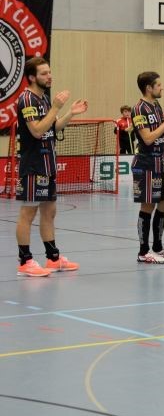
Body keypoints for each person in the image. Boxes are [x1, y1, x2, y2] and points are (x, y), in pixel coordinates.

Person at [15, 57, 88, 277]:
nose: (49, 76)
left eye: (50, 72)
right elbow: (37, 131)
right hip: (33, 165)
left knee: (49, 212)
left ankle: (53, 258)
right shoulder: (27, 99)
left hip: (48, 164)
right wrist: (56, 106)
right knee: (28, 213)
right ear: (32, 77)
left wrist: (69, 113)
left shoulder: (44, 99)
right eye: (44, 73)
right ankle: (25, 261)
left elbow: (52, 128)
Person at [131, 71, 164, 264]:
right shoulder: (139, 109)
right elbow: (147, 138)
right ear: (149, 88)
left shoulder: (156, 106)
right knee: (148, 205)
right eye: (159, 85)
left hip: (159, 163)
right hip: (146, 164)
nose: (162, 88)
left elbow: (163, 135)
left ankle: (158, 247)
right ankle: (143, 251)